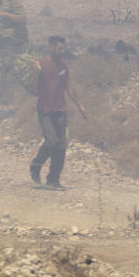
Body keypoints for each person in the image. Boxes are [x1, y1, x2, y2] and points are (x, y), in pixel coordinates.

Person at [29, 35, 89, 189]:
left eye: (63, 48)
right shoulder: (40, 64)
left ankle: (53, 180)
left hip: (61, 110)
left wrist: (81, 106)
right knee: (51, 141)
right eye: (59, 48)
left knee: (61, 145)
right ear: (50, 47)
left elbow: (69, 88)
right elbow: (33, 89)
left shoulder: (64, 64)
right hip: (44, 110)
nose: (62, 51)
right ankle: (36, 165)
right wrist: (35, 73)